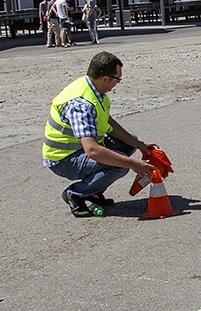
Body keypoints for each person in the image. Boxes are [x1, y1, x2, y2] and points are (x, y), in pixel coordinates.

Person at [43, 51, 158, 217]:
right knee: (119, 164)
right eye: (118, 79)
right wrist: (133, 164)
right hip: (63, 158)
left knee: (129, 142)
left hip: (79, 148)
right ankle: (75, 194)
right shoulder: (82, 105)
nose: (118, 83)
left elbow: (108, 121)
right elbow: (93, 151)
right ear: (105, 78)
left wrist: (139, 145)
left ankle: (94, 191)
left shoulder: (92, 87)